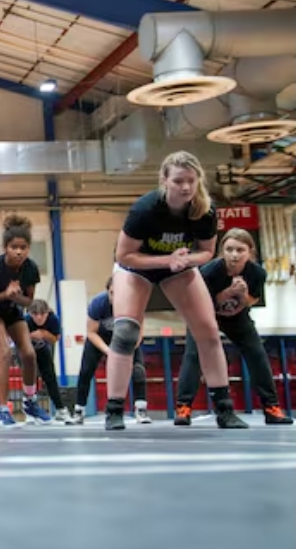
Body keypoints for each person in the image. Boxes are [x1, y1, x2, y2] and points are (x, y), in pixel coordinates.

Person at [107, 150, 246, 430]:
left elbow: (207, 252)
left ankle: (224, 409)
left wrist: (185, 260)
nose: (185, 187)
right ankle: (114, 411)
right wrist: (165, 260)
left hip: (178, 264)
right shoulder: (145, 209)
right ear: (165, 181)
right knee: (125, 333)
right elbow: (124, 256)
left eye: (191, 181)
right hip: (136, 266)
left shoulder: (204, 210)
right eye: (179, 181)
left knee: (207, 330)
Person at [174, 228, 292, 426]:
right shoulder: (209, 271)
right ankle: (183, 408)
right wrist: (227, 293)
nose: (234, 255)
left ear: (250, 253)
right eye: (229, 249)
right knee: (194, 355)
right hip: (204, 313)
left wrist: (243, 295)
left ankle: (271, 407)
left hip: (237, 316)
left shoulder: (257, 273)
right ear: (222, 251)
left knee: (257, 353)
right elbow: (200, 303)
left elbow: (251, 300)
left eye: (240, 250)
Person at [0, 214, 51, 427]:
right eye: (14, 247)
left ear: (28, 249)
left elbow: (29, 300)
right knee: (4, 352)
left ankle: (30, 401)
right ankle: (3, 410)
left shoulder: (31, 269)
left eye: (23, 247)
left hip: (11, 309)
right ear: (6, 247)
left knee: (29, 353)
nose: (18, 251)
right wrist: (4, 295)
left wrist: (15, 297)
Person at [71, 277, 151, 425]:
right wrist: (109, 351)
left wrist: (128, 350)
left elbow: (139, 332)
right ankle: (79, 411)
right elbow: (91, 332)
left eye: (120, 293)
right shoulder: (98, 303)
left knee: (138, 370)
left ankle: (141, 409)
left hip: (126, 337)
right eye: (112, 293)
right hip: (100, 337)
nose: (115, 297)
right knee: (86, 371)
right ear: (108, 291)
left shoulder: (133, 303)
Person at [24, 299, 72, 423]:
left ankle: (61, 409)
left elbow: (55, 339)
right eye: (35, 315)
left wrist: (44, 333)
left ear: (47, 313)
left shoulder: (53, 319)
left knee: (50, 377)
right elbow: (17, 337)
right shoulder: (26, 320)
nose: (39, 318)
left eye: (42, 314)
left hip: (43, 348)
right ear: (30, 314)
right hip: (26, 350)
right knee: (30, 377)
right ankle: (30, 409)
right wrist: (31, 336)